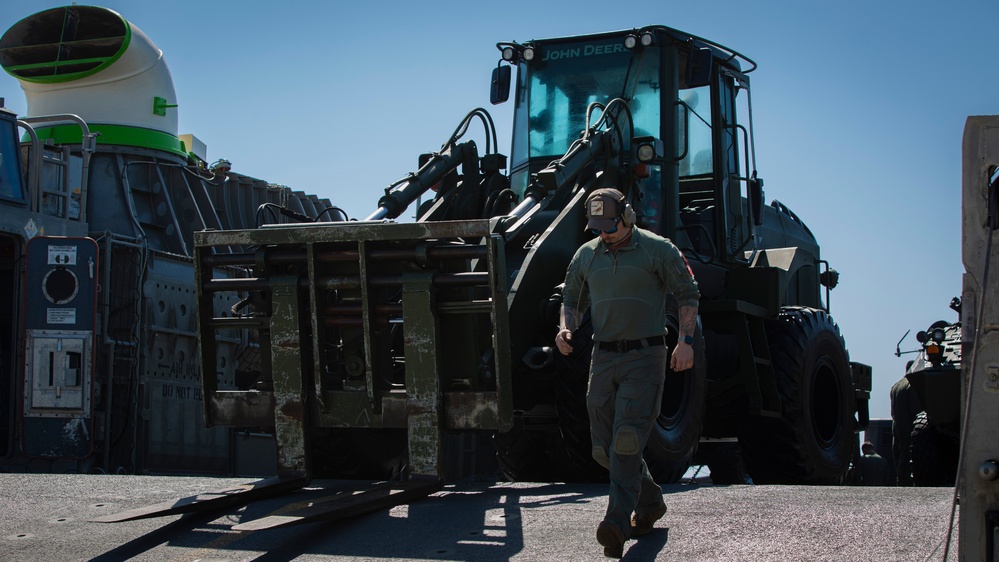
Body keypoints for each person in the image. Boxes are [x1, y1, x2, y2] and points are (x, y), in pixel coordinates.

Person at [555, 188, 700, 558]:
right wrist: (565, 328)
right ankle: (650, 501)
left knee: (626, 441)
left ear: (628, 216)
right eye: (597, 226)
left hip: (645, 357)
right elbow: (571, 298)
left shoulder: (658, 249)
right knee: (604, 449)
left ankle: (617, 523)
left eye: (610, 224)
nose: (604, 232)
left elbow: (687, 293)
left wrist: (686, 341)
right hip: (602, 359)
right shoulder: (586, 256)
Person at [890, 374, 922, 485]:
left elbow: (892, 411)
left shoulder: (896, 386)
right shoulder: (912, 385)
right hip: (908, 425)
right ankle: (905, 482)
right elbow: (915, 410)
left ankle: (901, 479)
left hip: (896, 424)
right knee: (906, 455)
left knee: (898, 454)